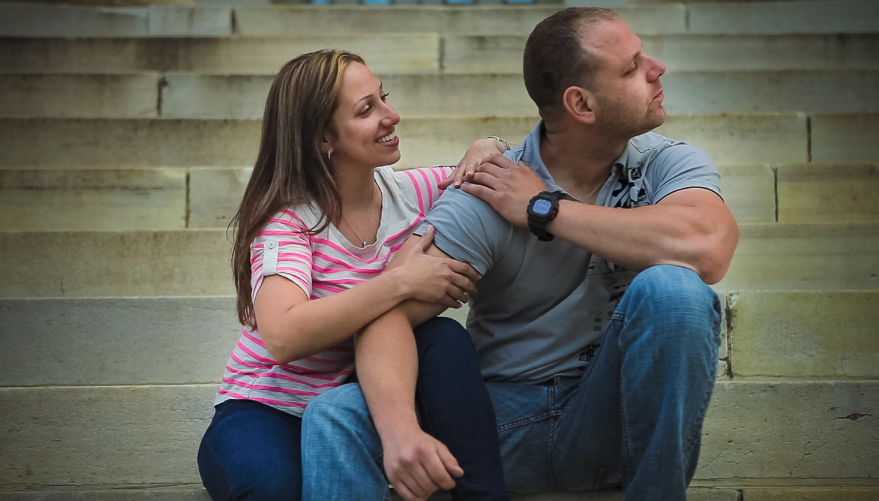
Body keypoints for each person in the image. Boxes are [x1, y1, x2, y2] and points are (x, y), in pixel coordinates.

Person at [300, 7, 739, 501]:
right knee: (335, 413)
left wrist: (543, 208)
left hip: (616, 418)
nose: (657, 69)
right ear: (581, 103)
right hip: (497, 425)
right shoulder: (490, 189)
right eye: (631, 67)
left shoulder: (666, 163)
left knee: (674, 291)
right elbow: (386, 315)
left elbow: (708, 248)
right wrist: (401, 432)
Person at [196, 49, 511, 501]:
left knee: (441, 338)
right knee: (271, 485)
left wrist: (489, 144)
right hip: (268, 409)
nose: (392, 115)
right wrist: (399, 282)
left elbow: (497, 168)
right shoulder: (289, 223)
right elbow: (283, 335)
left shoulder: (415, 192)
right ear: (324, 137)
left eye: (384, 97)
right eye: (367, 110)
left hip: (358, 400)